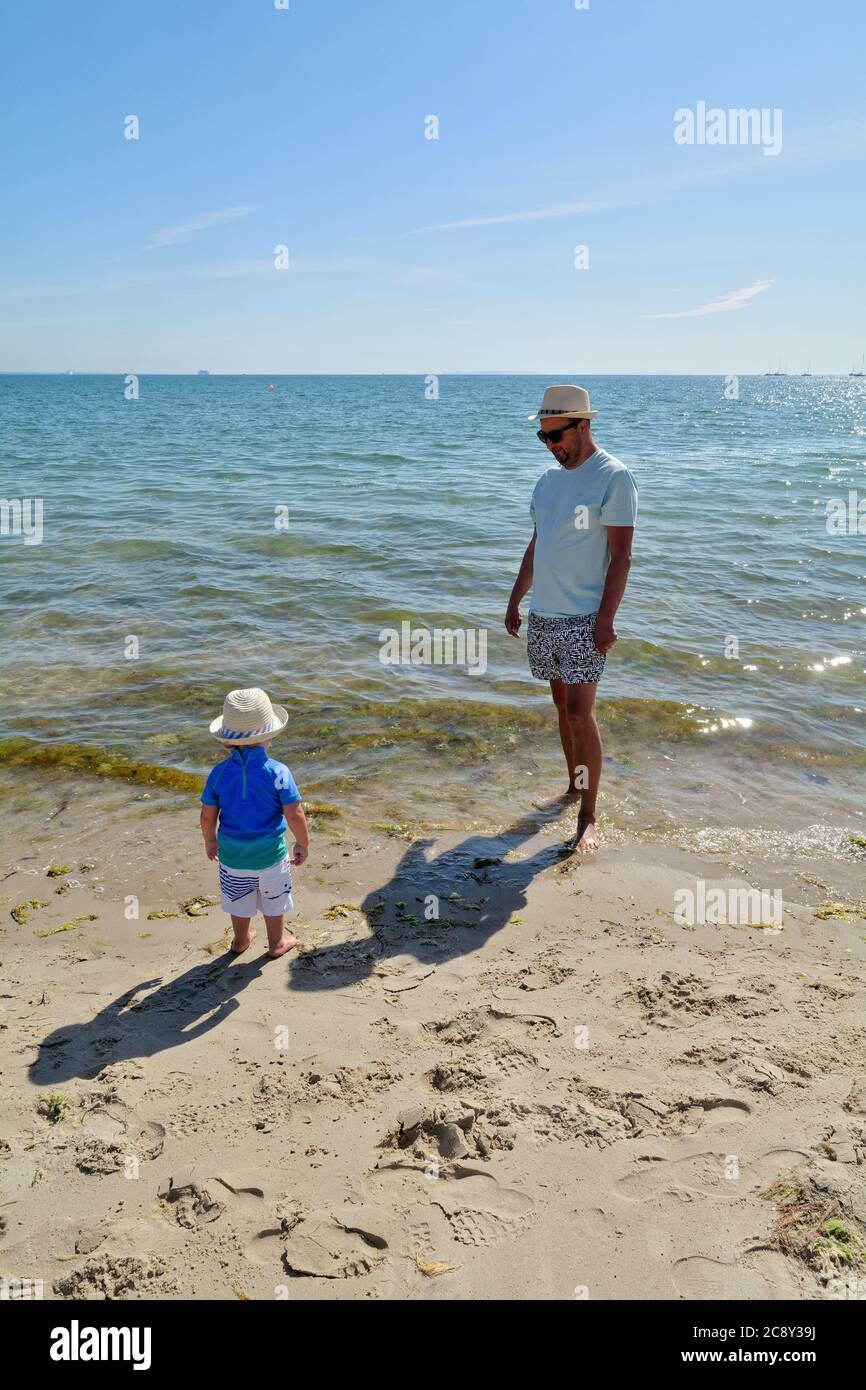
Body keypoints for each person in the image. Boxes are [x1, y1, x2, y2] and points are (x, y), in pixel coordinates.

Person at [505, 385, 637, 853]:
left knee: (582, 713)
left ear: (583, 426)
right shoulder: (547, 482)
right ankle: (573, 787)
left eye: (555, 435)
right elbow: (538, 544)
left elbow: (621, 556)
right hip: (545, 614)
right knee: (562, 709)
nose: (551, 445)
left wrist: (607, 618)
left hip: (585, 616)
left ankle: (589, 815)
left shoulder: (613, 477)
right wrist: (516, 597)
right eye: (543, 438)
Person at [199, 687, 309, 956]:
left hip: (232, 856)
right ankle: (277, 943)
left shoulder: (219, 773)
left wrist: (210, 840)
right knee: (274, 902)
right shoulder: (279, 772)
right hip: (271, 855)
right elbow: (294, 813)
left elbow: (206, 815)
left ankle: (240, 940)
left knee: (238, 901)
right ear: (269, 735)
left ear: (228, 739)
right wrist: (302, 843)